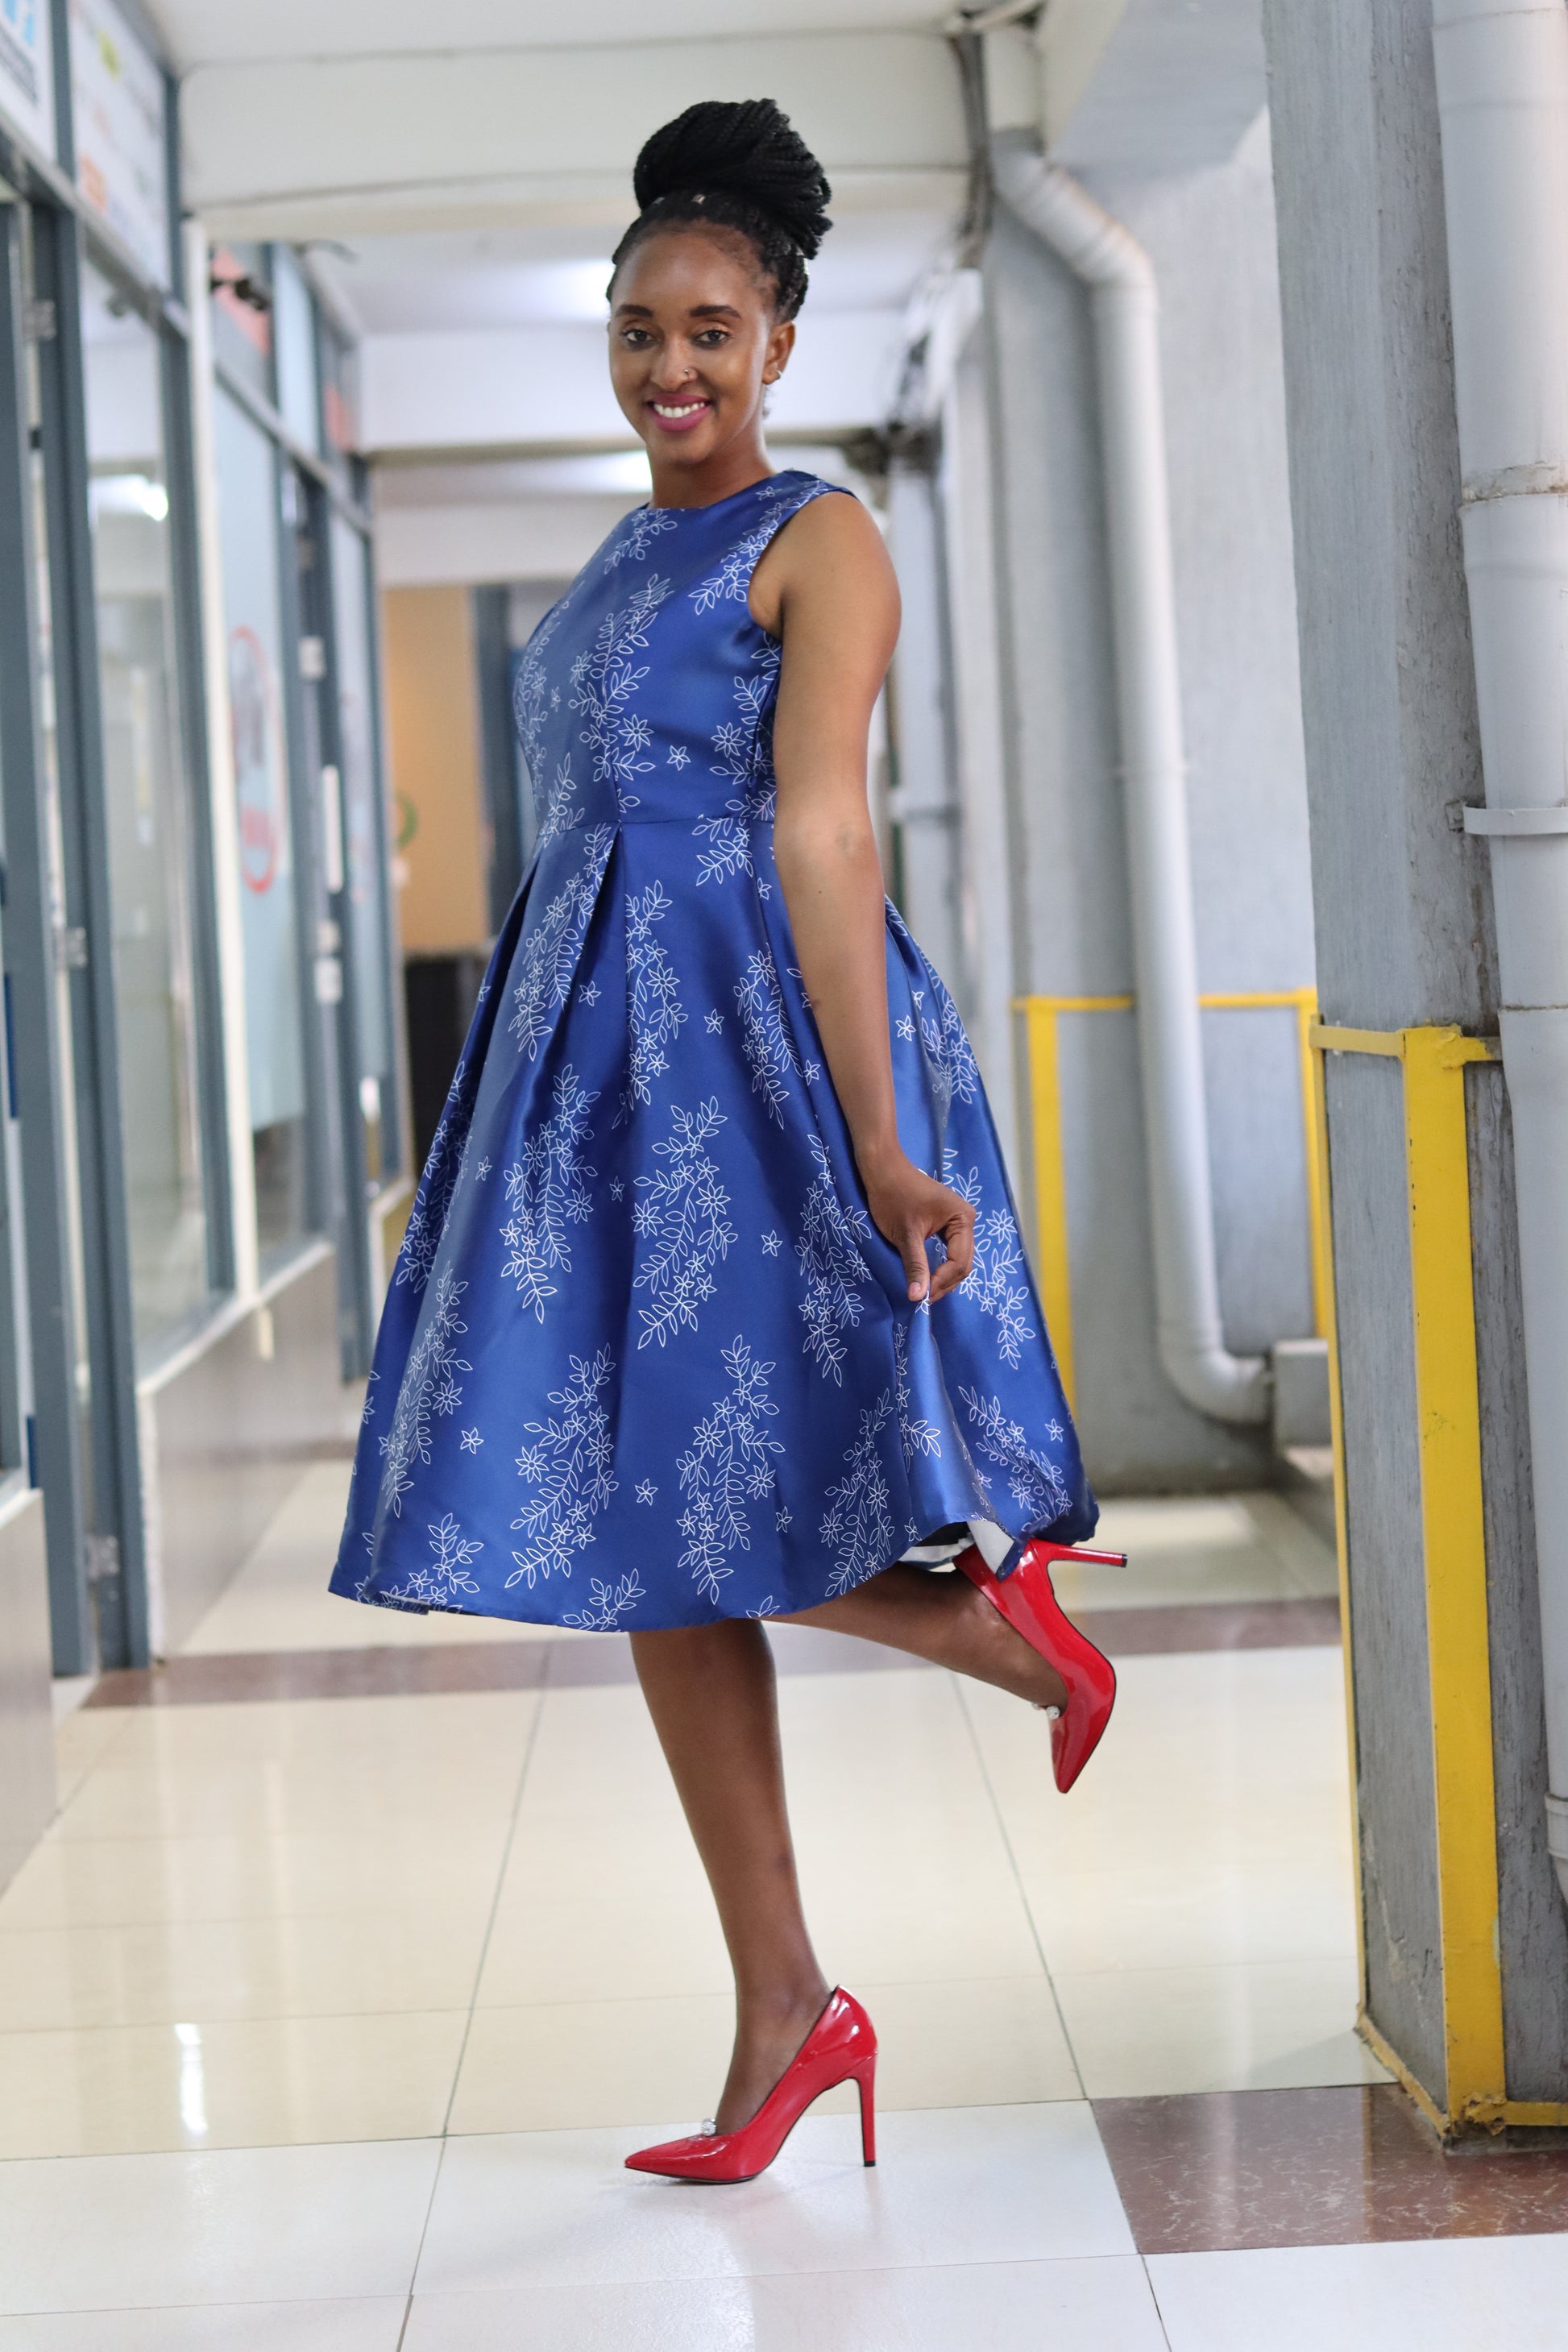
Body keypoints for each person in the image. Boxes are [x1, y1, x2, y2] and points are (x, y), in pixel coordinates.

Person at [332, 97, 1122, 2185]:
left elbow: (824, 829)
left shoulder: (820, 538)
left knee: (691, 1491)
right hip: (593, 1070)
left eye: (708, 330)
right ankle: (789, 2006)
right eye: (637, 331)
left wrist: (877, 1141)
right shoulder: (613, 563)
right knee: (636, 1530)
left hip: (744, 1057)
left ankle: (986, 1633)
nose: (670, 367)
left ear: (777, 339)